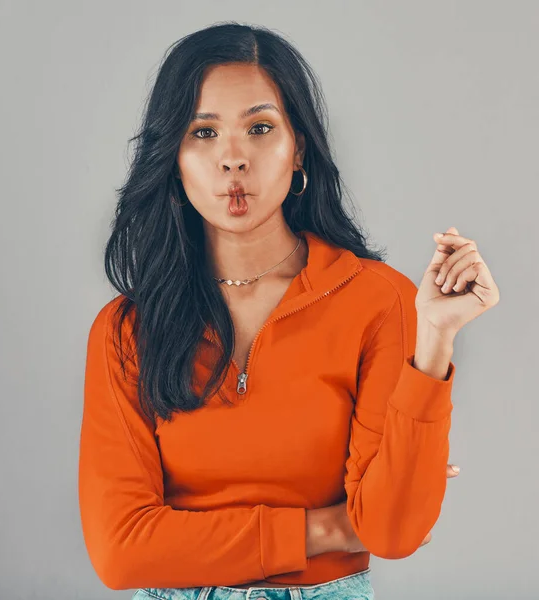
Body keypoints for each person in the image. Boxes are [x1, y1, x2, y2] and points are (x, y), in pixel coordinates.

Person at [78, 22, 499, 600]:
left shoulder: (380, 301)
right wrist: (328, 526)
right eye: (203, 131)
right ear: (173, 156)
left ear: (297, 145)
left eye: (259, 128)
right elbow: (120, 552)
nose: (233, 159)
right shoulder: (127, 329)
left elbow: (394, 532)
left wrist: (436, 343)